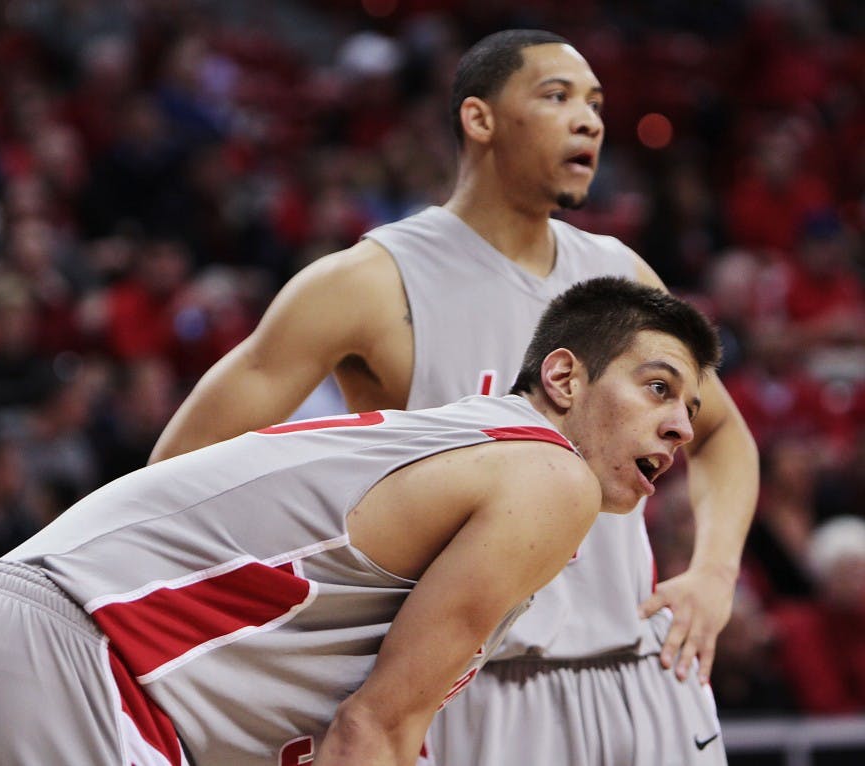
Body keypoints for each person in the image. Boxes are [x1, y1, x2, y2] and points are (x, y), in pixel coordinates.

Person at [148, 29, 759, 765]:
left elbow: (722, 433)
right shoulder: (368, 282)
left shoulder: (621, 275)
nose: (591, 120)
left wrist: (714, 574)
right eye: (557, 96)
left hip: (639, 673)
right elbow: (175, 475)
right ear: (480, 119)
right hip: (471, 694)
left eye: (596, 103)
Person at [0, 278, 719, 766]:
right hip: (75, 663)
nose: (682, 426)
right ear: (565, 378)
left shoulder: (460, 437)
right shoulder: (549, 477)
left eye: (690, 405)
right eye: (657, 387)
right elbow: (373, 730)